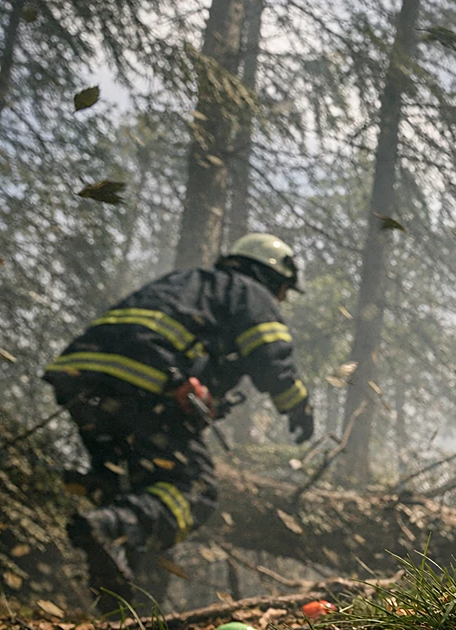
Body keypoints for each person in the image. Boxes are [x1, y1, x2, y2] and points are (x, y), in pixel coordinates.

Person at [43, 233, 315, 603]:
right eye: (282, 289)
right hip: (146, 385)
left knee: (134, 491)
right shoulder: (250, 292)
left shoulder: (185, 283)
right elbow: (270, 355)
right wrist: (297, 405)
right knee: (195, 489)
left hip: (81, 380)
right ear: (269, 275)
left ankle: (121, 603)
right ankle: (112, 529)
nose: (280, 299)